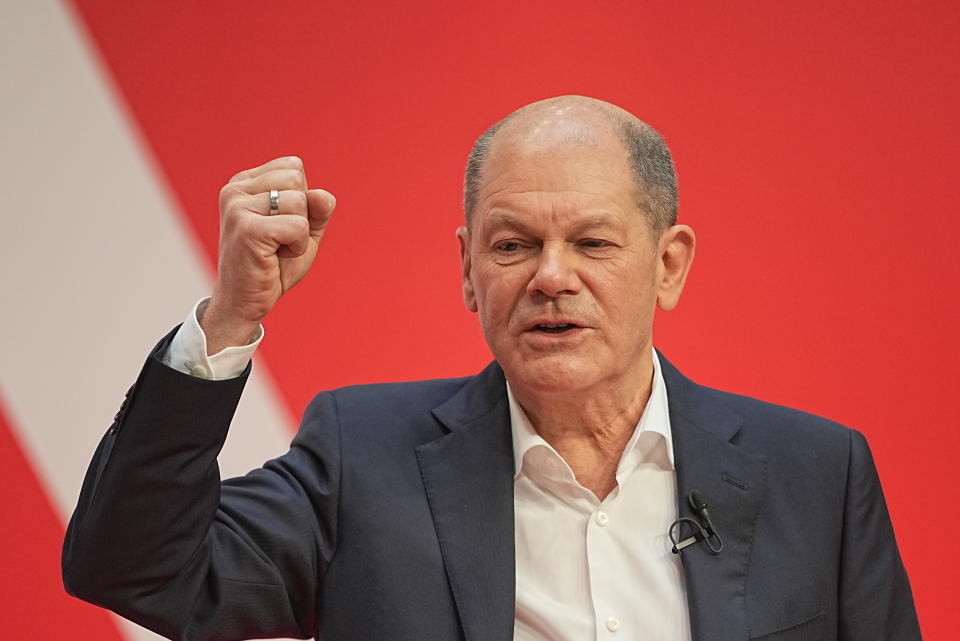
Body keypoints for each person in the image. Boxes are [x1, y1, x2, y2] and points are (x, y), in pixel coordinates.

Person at [62, 96, 921, 641]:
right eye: (513, 245)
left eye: (591, 242)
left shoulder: (816, 474)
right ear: (468, 270)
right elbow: (137, 568)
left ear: (669, 264)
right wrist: (230, 318)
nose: (551, 276)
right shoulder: (362, 459)